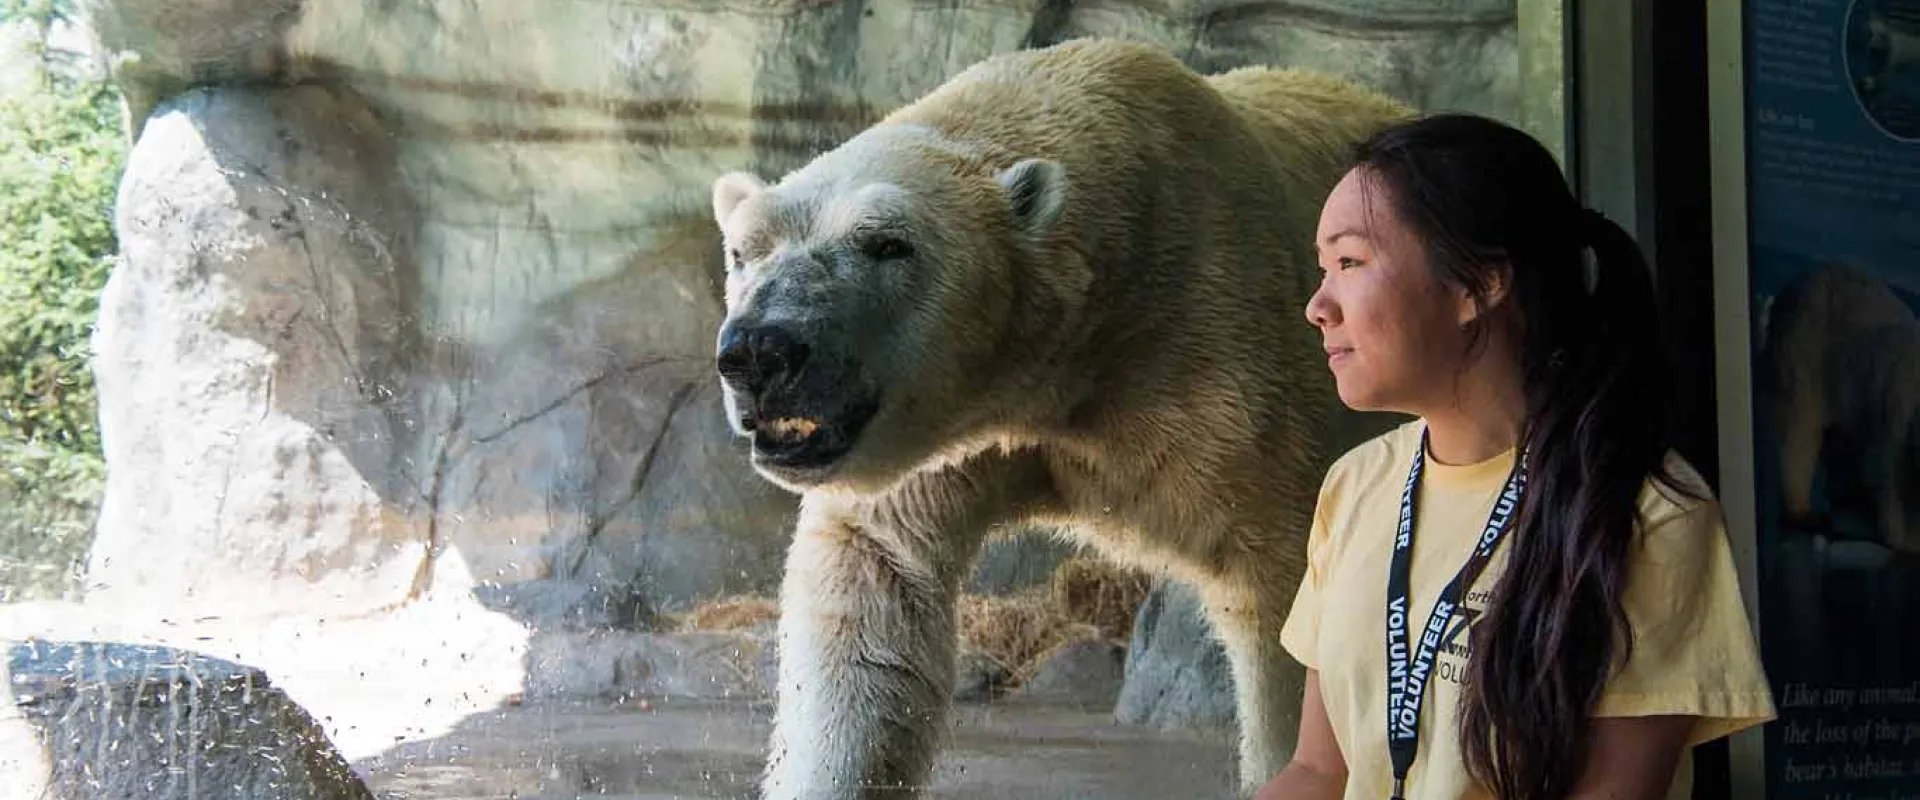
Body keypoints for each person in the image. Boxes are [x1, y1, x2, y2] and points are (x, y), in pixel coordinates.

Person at [1258, 113, 1777, 800]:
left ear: (1478, 285)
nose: (1318, 305)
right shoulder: (1355, 485)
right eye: (1324, 269)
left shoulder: (1646, 511)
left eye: (1350, 262)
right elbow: (1320, 772)